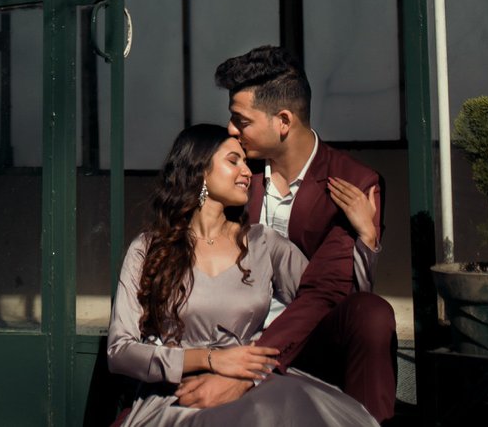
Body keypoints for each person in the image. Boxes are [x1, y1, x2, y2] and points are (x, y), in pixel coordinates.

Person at [174, 46, 396, 422]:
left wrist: (248, 371)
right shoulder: (236, 174)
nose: (230, 130)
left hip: (306, 338)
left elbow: (324, 293)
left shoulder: (353, 184)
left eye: (240, 120)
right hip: (226, 330)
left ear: (283, 121)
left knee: (371, 314)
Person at [107, 124, 378, 426]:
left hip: (254, 388)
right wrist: (208, 358)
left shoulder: (265, 244)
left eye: (246, 163)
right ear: (201, 171)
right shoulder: (148, 247)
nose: (248, 172)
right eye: (233, 160)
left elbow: (329, 307)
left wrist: (366, 237)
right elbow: (120, 351)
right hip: (179, 395)